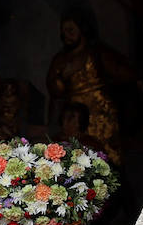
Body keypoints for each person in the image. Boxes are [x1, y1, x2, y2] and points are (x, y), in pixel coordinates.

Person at [46, 9, 134, 163]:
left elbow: (123, 73)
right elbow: (55, 90)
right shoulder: (60, 59)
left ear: (82, 29)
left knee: (106, 156)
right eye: (63, 31)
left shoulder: (96, 53)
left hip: (100, 113)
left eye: (71, 30)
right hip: (75, 116)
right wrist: (61, 78)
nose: (66, 35)